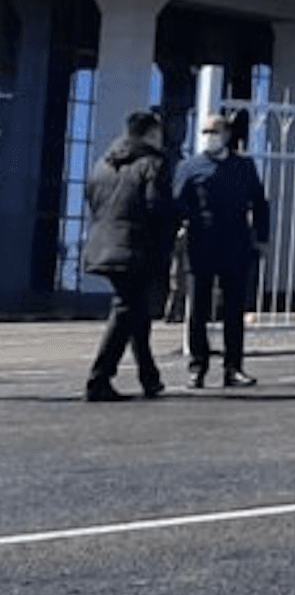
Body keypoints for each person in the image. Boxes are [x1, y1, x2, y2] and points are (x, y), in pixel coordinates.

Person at [81, 109, 178, 402]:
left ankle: (150, 377)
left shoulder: (102, 164)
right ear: (151, 134)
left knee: (136, 310)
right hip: (135, 247)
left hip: (103, 242)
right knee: (126, 309)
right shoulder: (153, 164)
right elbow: (156, 206)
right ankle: (99, 378)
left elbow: (92, 199)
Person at [173, 111, 272, 387]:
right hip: (200, 245)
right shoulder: (189, 168)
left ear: (226, 135)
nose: (209, 137)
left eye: (214, 131)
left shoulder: (244, 167)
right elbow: (176, 203)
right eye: (205, 132)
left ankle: (233, 367)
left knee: (233, 309)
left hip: (235, 244)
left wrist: (261, 239)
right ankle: (197, 366)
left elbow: (260, 204)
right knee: (198, 310)